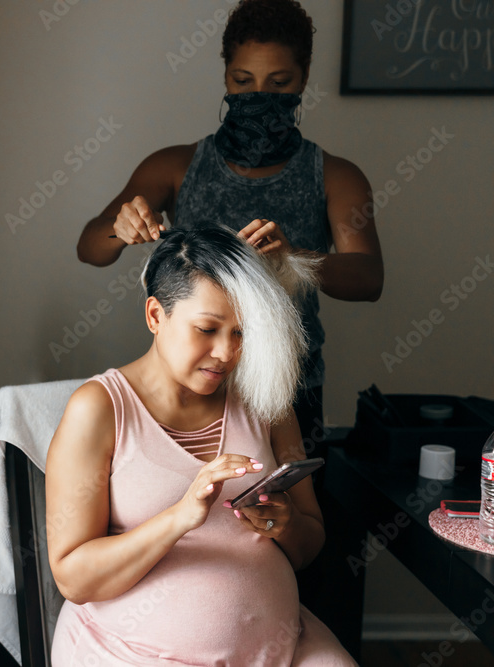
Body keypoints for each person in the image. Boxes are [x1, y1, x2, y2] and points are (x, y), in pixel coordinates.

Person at [75, 0, 383, 457]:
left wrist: (294, 261)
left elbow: (369, 279)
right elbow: (90, 248)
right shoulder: (175, 166)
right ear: (225, 77)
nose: (259, 95)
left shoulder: (335, 176)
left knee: (291, 521)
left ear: (304, 77)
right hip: (190, 378)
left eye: (279, 84)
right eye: (243, 82)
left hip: (288, 388)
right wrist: (120, 228)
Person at [46, 227, 357, 666]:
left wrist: (285, 525)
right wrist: (180, 518)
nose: (226, 353)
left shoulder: (264, 399)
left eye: (241, 333)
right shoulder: (98, 410)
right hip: (131, 653)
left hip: (281, 646)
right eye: (207, 329)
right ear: (156, 315)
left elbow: (309, 545)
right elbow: (73, 578)